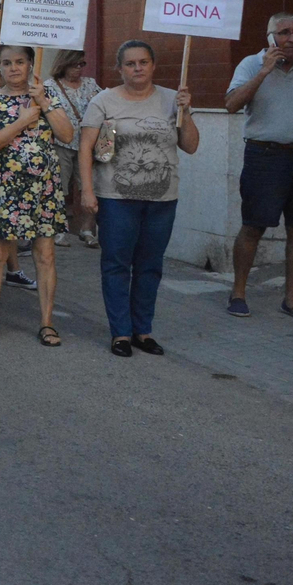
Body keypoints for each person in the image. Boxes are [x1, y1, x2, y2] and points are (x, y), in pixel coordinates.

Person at [79, 40, 199, 357]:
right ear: (120, 69)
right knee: (116, 264)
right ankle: (120, 332)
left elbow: (191, 146)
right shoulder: (103, 101)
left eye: (143, 62)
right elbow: (86, 147)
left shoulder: (173, 99)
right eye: (130, 64)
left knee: (150, 266)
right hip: (116, 198)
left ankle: (142, 331)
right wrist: (87, 190)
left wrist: (186, 112)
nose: (137, 69)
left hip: (162, 200)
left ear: (153, 65)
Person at [0, 45, 73, 346]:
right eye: (7, 63)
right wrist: (22, 120)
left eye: (20, 62)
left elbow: (67, 135)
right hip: (4, 187)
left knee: (45, 255)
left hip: (43, 188)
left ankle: (47, 322)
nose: (14, 68)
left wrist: (42, 102)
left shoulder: (47, 95)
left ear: (31, 63)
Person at [224, 13, 293, 319]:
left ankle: (291, 300)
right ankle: (238, 293)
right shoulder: (251, 64)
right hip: (265, 156)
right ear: (270, 37)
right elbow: (231, 105)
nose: (292, 39)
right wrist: (264, 71)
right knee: (253, 226)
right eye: (284, 32)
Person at [45, 49, 102, 248]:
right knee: (58, 186)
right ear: (63, 64)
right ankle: (58, 230)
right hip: (61, 143)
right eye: (74, 64)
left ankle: (87, 229)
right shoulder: (50, 86)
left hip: (87, 143)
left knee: (89, 186)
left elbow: (105, 104)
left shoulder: (90, 84)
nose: (78, 69)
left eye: (82, 64)